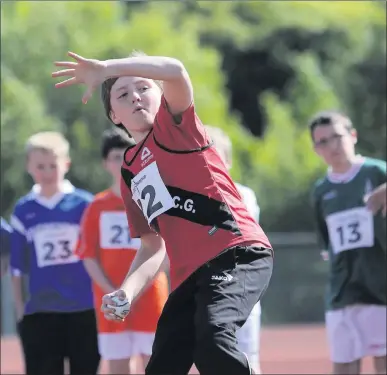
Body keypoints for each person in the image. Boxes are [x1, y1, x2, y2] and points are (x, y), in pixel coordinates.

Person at [52, 50, 273, 375]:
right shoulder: (130, 170)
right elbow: (152, 247)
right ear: (114, 114)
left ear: (161, 95)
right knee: (163, 364)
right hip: (189, 276)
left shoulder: (178, 127)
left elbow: (175, 68)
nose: (136, 97)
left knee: (212, 339)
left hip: (236, 255)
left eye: (144, 87)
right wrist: (125, 292)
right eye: (123, 94)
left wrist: (108, 69)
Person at [76, 127, 168, 374]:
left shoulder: (151, 198)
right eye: (116, 157)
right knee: (118, 367)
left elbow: (164, 251)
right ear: (106, 163)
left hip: (151, 299)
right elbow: (88, 256)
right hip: (111, 303)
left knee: (157, 364)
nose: (123, 161)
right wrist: (115, 294)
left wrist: (135, 291)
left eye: (129, 154)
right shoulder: (97, 206)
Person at [10, 131, 100, 375]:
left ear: (66, 164)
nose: (47, 172)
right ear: (29, 167)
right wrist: (20, 311)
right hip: (41, 312)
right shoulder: (23, 210)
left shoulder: (85, 204)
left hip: (83, 310)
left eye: (53, 165)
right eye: (40, 166)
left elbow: (98, 256)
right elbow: (17, 267)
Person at [309, 111, 386, 375]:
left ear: (352, 136)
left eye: (336, 137)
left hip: (381, 288)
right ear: (315, 149)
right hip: (343, 293)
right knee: (344, 366)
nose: (331, 146)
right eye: (322, 142)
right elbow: (327, 244)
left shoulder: (377, 172)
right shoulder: (321, 192)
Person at [204, 125, 262, 374]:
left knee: (247, 358)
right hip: (206, 290)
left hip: (239, 288)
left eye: (214, 156)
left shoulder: (243, 194)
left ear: (227, 161)